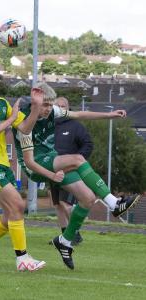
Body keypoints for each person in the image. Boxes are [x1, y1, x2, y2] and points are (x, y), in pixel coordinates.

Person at [12, 82, 140, 270]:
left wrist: (109, 115)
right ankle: (114, 203)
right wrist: (51, 175)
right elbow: (28, 148)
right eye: (44, 105)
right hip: (35, 165)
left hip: (52, 159)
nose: (48, 109)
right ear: (34, 103)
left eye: (50, 105)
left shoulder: (52, 111)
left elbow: (80, 114)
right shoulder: (23, 118)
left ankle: (65, 241)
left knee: (88, 199)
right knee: (78, 159)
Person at [0, 63, 51, 272]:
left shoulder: (4, 104)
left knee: (11, 212)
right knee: (17, 205)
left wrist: (34, 108)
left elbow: (24, 128)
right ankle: (22, 258)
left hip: (2, 163)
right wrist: (11, 119)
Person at [49, 96, 94, 246]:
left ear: (68, 109)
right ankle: (64, 236)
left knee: (65, 202)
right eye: (58, 106)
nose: (61, 109)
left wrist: (78, 161)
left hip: (70, 172)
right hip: (52, 170)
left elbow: (88, 144)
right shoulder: (49, 125)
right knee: (57, 205)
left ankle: (74, 234)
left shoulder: (76, 126)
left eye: (64, 106)